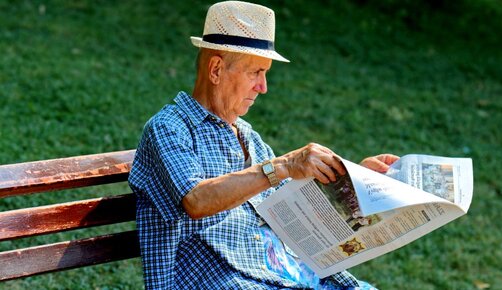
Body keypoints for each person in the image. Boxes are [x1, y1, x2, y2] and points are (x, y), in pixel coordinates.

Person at [128, 1, 399, 289]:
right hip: (221, 278)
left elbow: (296, 213)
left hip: (281, 273)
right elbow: (196, 200)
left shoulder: (248, 137)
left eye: (265, 73)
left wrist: (356, 182)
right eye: (255, 72)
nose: (263, 87)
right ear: (216, 70)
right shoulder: (169, 128)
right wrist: (281, 166)